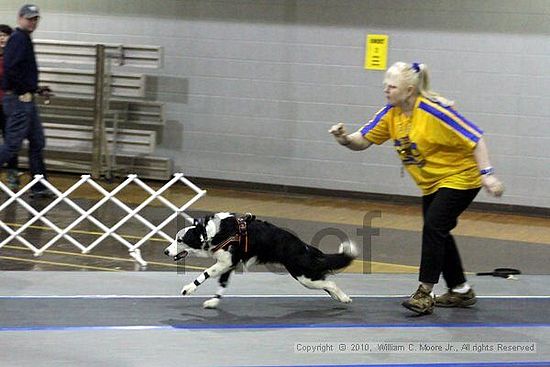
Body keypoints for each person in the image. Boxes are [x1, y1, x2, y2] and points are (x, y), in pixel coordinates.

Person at [329, 61, 504, 315]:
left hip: (461, 177)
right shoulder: (391, 114)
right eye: (385, 86)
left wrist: (487, 174)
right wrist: (344, 139)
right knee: (438, 230)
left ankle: (424, 292)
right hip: (431, 183)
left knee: (434, 226)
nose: (386, 91)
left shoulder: (434, 111)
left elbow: (476, 138)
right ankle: (461, 290)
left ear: (409, 90)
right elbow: (362, 140)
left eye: (392, 86)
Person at [0, 4, 52, 198]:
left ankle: (39, 186)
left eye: (36, 19)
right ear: (20, 18)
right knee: (12, 145)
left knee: (37, 141)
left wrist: (36, 88)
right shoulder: (19, 39)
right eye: (30, 18)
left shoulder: (24, 39)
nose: (33, 22)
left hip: (26, 100)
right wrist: (24, 90)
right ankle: (39, 186)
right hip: (19, 100)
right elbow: (11, 69)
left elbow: (20, 71)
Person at [0, 24, 21, 191]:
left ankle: (12, 174)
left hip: (10, 104)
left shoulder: (14, 57)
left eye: (5, 35)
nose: (1, 38)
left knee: (10, 141)